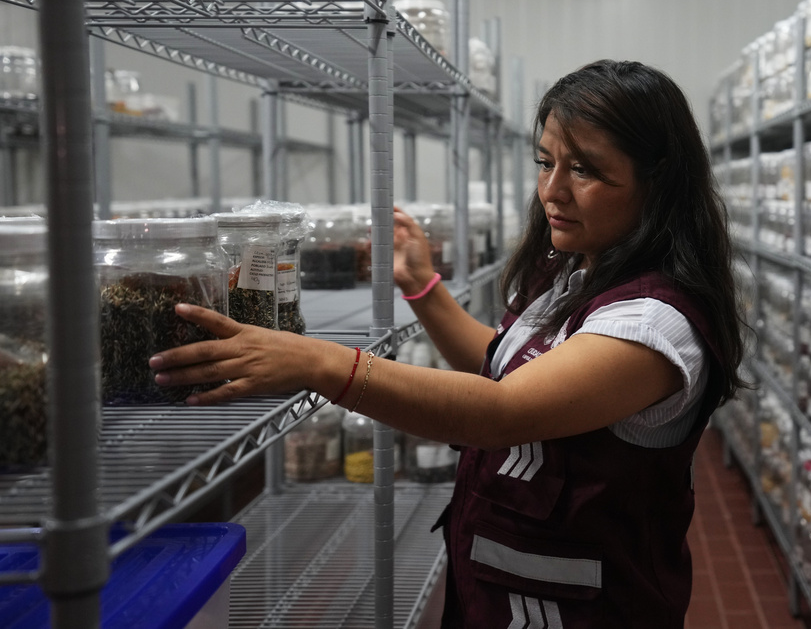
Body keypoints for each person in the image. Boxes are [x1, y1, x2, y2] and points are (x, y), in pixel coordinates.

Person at [150, 59, 747, 627]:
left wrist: (319, 362)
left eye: (584, 170)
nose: (552, 190)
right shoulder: (584, 271)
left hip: (586, 612)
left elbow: (501, 412)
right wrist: (421, 285)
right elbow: (502, 366)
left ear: (658, 182)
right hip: (506, 596)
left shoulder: (652, 324)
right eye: (546, 163)